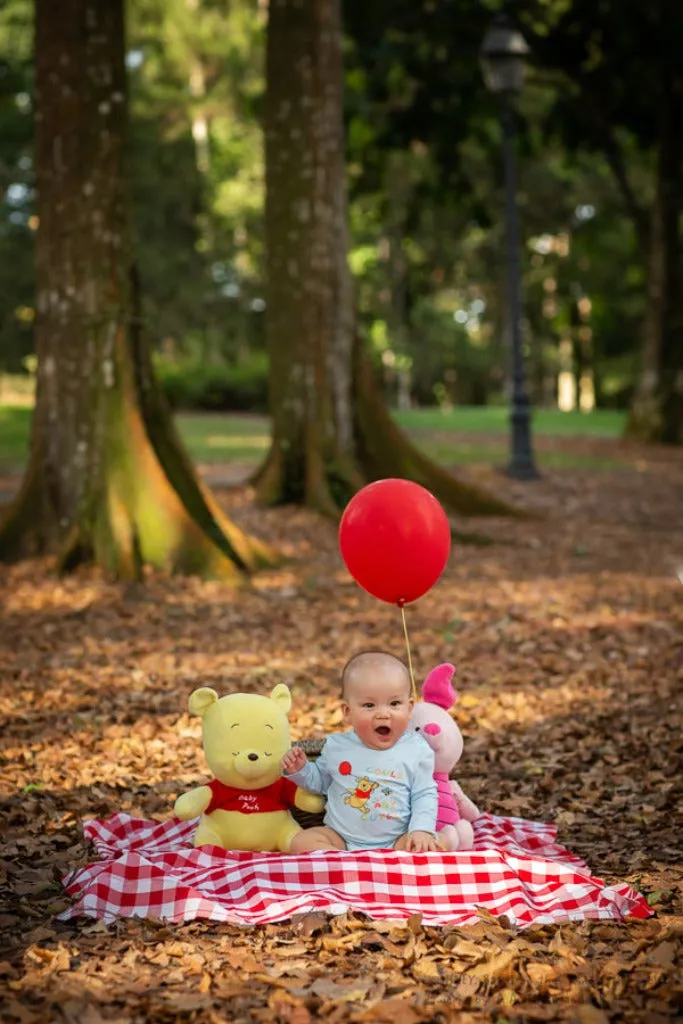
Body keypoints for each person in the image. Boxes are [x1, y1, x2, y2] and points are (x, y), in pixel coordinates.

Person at [281, 650, 440, 853]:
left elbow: (424, 793)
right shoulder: (337, 746)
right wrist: (300, 769)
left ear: (409, 708)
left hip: (396, 841)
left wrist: (421, 830)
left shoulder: (415, 749)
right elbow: (320, 783)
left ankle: (374, 865)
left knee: (433, 844)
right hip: (341, 839)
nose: (383, 713)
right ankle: (340, 863)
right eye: (369, 705)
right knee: (302, 841)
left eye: (394, 703)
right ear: (348, 712)